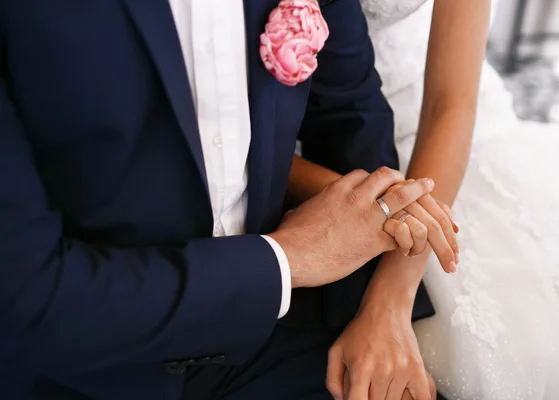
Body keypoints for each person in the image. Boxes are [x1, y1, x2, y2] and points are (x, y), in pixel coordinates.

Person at [0, 0, 459, 399]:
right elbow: (24, 302)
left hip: (269, 339)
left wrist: (376, 312)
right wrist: (288, 258)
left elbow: (350, 119)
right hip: (78, 368)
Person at [292, 0, 559, 398]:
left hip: (455, 137)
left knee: (534, 329)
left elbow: (450, 104)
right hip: (321, 153)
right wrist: (371, 205)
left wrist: (391, 300)